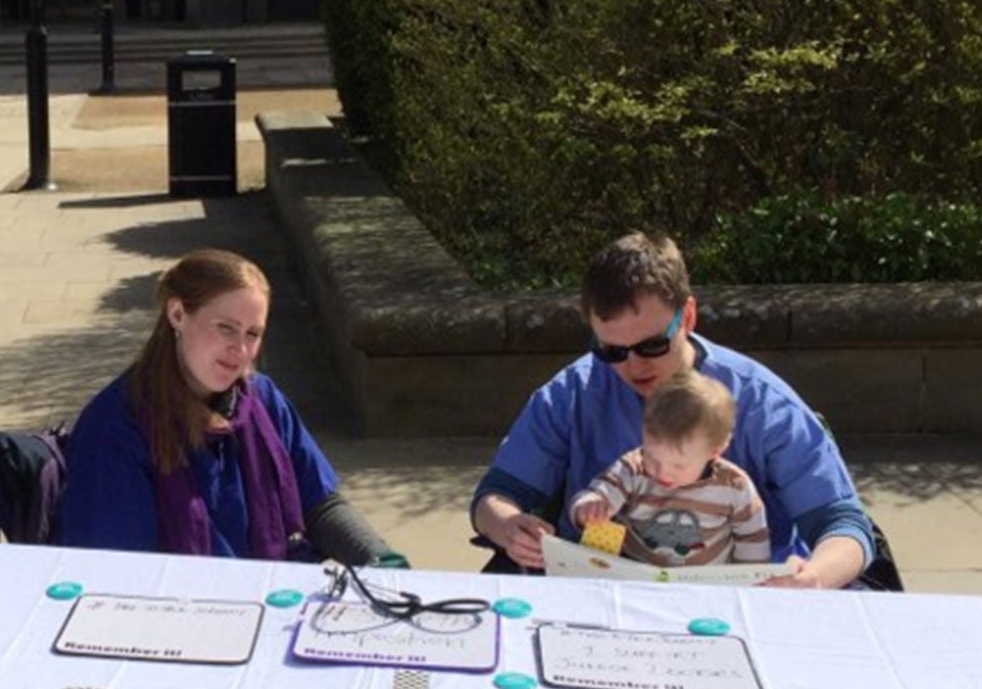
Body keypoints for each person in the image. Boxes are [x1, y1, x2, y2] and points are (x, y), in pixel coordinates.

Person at [472, 231, 876, 588]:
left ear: (688, 316)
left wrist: (814, 577)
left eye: (651, 345)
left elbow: (845, 526)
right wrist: (509, 527)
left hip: (744, 602)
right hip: (600, 592)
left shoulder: (763, 402)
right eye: (611, 351)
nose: (633, 365)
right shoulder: (573, 391)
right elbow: (495, 496)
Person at [59, 249, 400, 565]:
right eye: (226, 328)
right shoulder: (114, 428)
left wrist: (382, 562)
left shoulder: (263, 399)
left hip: (273, 598)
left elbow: (321, 504)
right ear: (177, 314)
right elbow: (115, 572)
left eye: (253, 334)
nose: (239, 350)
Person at [568, 370, 770, 567]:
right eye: (652, 458)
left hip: (705, 585)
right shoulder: (634, 468)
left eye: (678, 466)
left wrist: (746, 583)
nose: (662, 473)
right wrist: (588, 507)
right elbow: (600, 494)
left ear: (715, 452)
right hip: (636, 576)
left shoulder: (734, 486)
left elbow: (752, 539)